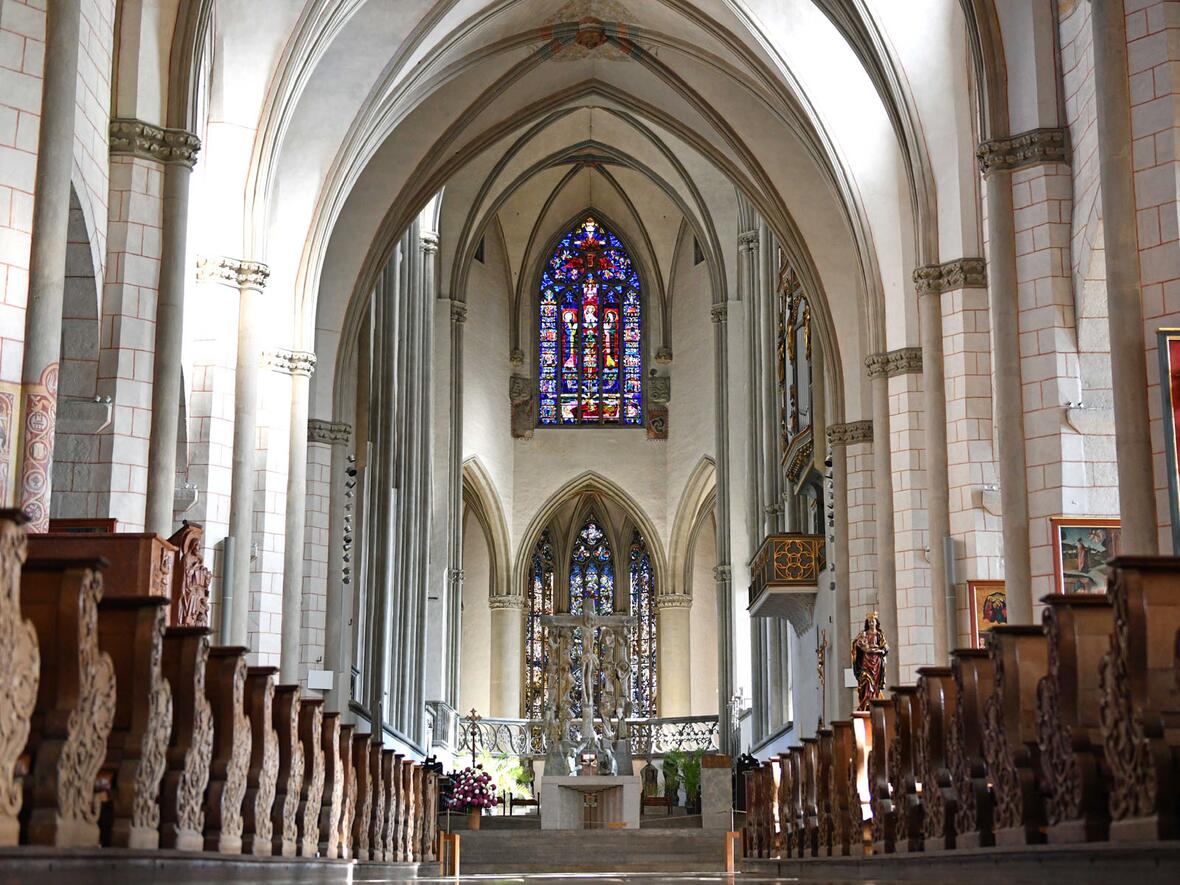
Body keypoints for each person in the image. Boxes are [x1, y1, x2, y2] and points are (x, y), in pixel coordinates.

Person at [851, 612, 889, 712]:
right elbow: (855, 644)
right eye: (869, 622)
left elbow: (886, 647)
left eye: (873, 621)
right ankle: (865, 703)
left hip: (876, 663)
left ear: (876, 622)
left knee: (875, 685)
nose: (871, 623)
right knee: (866, 680)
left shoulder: (879, 635)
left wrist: (881, 650)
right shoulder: (864, 634)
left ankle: (874, 701)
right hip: (866, 662)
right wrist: (861, 645)